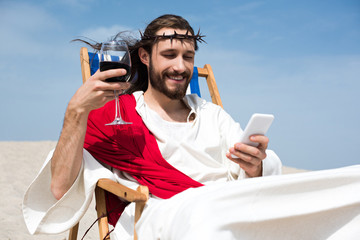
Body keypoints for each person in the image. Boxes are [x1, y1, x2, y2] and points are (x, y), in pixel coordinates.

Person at [23, 14, 360, 240]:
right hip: (165, 212)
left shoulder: (213, 115)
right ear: (144, 57)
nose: (180, 67)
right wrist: (75, 111)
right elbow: (59, 187)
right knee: (208, 212)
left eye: (188, 56)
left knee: (352, 184)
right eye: (169, 54)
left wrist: (256, 165)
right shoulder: (118, 115)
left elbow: (255, 174)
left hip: (233, 205)